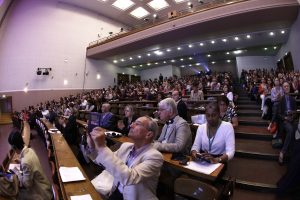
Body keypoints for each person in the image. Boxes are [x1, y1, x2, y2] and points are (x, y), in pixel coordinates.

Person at [87, 116, 163, 200]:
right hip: (116, 192)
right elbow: (106, 161)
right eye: (133, 123)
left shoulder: (155, 157)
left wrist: (102, 147)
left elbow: (130, 178)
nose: (131, 125)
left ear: (148, 134)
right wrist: (93, 147)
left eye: (137, 124)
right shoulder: (126, 146)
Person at [8, 130, 52, 200]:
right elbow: (31, 164)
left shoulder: (25, 162)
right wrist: (20, 161)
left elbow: (27, 184)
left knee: (15, 195)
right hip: (45, 186)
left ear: (14, 147)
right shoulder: (30, 150)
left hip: (41, 193)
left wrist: (17, 172)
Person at [276, 82, 297, 165]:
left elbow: (295, 111)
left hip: (292, 119)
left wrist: (293, 116)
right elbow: (278, 114)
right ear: (283, 88)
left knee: (296, 129)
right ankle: (282, 152)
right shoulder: (281, 99)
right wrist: (285, 118)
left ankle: (293, 152)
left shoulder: (293, 99)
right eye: (285, 86)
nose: (286, 87)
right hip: (284, 120)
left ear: (289, 87)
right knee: (291, 129)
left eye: (288, 86)